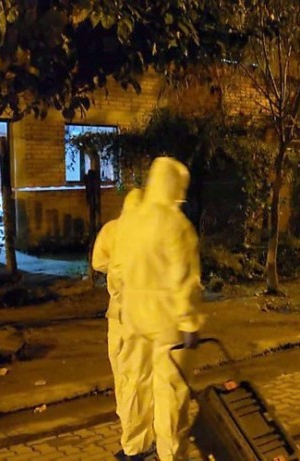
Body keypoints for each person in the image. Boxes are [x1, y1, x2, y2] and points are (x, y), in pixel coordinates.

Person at [109, 157, 203, 461]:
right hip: (168, 323)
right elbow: (184, 280)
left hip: (133, 318)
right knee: (170, 395)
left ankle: (134, 448)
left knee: (134, 383)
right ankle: (170, 455)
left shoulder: (130, 220)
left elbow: (117, 269)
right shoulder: (177, 225)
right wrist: (190, 324)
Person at [90, 188, 143, 434]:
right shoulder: (149, 235)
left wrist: (116, 268)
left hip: (118, 313)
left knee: (121, 371)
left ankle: (129, 425)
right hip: (141, 315)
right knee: (138, 374)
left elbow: (98, 262)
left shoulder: (111, 230)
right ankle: (137, 430)